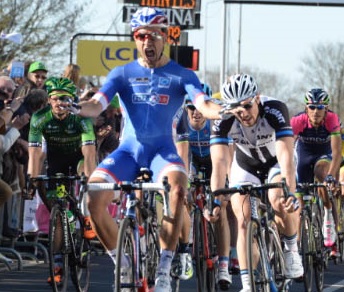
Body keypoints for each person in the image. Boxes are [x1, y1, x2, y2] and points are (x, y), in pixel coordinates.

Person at [73, 7, 224, 292]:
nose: (147, 42)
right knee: (92, 196)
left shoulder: (183, 74)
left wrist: (223, 110)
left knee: (178, 189)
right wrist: (76, 107)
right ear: (135, 38)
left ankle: (165, 268)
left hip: (161, 153)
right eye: (141, 36)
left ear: (165, 36)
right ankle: (123, 261)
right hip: (128, 152)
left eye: (154, 36)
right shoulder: (122, 72)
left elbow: (203, 104)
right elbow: (97, 104)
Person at [206, 73, 303, 292]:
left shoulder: (276, 109)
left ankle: (290, 248)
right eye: (237, 109)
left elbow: (286, 155)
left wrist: (290, 192)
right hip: (245, 165)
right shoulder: (223, 118)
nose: (244, 114)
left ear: (257, 98)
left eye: (248, 106)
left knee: (277, 199)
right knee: (242, 218)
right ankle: (248, 283)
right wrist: (215, 198)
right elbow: (220, 162)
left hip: (275, 161)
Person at [27, 77, 97, 284]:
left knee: (86, 172)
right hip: (56, 160)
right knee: (57, 213)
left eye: (65, 99)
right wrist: (31, 181)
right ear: (49, 100)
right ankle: (58, 263)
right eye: (56, 99)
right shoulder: (39, 118)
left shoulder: (81, 119)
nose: (60, 103)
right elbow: (35, 154)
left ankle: (86, 215)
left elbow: (89, 152)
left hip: (78, 157)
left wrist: (90, 180)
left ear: (72, 100)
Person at [175, 83, 235, 288]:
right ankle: (190, 232)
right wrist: (185, 182)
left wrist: (227, 183)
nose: (196, 113)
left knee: (222, 207)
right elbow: (182, 157)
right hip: (193, 161)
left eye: (201, 107)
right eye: (191, 108)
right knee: (184, 194)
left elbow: (225, 158)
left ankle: (224, 265)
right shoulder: (182, 120)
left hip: (215, 163)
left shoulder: (216, 122)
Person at [291, 88, 342, 257]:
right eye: (312, 107)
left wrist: (331, 176)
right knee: (299, 202)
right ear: (306, 108)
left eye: (320, 107)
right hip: (304, 154)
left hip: (324, 154)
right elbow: (286, 148)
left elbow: (336, 154)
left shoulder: (332, 119)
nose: (316, 112)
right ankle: (296, 248)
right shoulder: (298, 121)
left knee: (322, 174)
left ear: (326, 109)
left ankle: (328, 216)